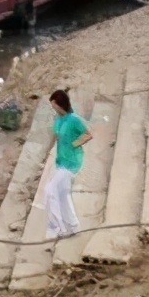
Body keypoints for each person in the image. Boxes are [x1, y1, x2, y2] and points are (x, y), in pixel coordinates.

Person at [46, 89, 91, 239]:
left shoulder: (74, 119)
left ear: (61, 105)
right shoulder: (58, 120)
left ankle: (58, 228)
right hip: (61, 161)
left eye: (54, 106)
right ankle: (72, 226)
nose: (53, 109)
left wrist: (73, 144)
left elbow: (88, 134)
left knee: (50, 190)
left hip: (72, 162)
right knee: (63, 194)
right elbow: (56, 136)